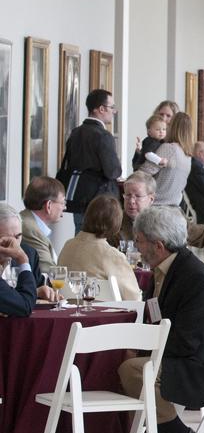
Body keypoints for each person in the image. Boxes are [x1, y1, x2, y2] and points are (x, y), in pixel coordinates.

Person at [118, 206, 204, 433]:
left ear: (158, 245)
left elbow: (188, 339)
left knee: (131, 371)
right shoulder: (162, 270)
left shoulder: (195, 277)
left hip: (200, 363)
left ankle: (177, 432)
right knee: (128, 362)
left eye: (140, 241)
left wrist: (147, 354)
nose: (137, 247)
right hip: (179, 351)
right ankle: (161, 431)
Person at [111, 171, 204, 251]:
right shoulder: (114, 221)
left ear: (151, 199)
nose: (131, 201)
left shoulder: (166, 221)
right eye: (127, 195)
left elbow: (202, 234)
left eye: (137, 196)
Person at [57, 89, 122, 232]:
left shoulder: (76, 132)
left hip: (77, 196)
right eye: (112, 107)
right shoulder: (103, 135)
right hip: (98, 200)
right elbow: (113, 171)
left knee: (80, 236)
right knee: (96, 239)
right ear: (101, 109)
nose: (114, 112)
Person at [57, 195, 141, 301]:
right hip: (102, 315)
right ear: (115, 223)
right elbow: (133, 299)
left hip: (67, 314)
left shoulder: (68, 245)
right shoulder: (112, 255)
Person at [0, 204, 57, 301]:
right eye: (7, 239)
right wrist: (35, 292)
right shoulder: (24, 256)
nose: (15, 244)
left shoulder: (29, 253)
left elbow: (42, 288)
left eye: (18, 236)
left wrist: (46, 292)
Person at [139, 112, 193, 207]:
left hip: (157, 205)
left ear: (172, 127)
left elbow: (143, 173)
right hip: (174, 207)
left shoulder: (170, 148)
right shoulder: (187, 155)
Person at [20, 177, 66, 271]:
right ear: (48, 205)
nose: (64, 207)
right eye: (62, 202)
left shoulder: (27, 220)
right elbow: (48, 271)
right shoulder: (30, 229)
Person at [0, 232, 36, 317]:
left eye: (18, 236)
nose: (15, 244)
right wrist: (22, 258)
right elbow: (25, 306)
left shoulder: (32, 252)